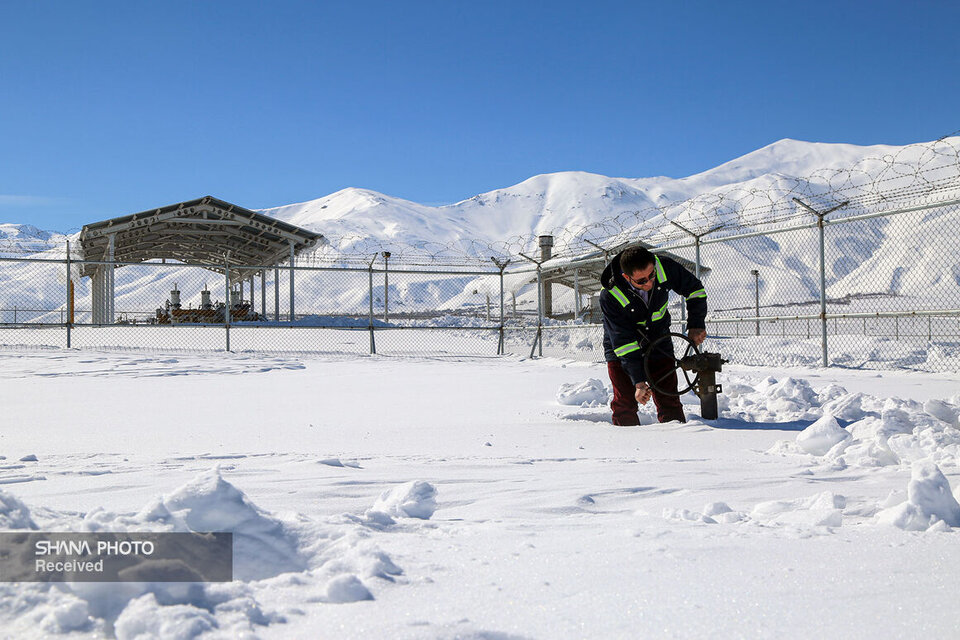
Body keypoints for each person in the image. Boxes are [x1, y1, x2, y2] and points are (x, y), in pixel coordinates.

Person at [599, 245, 707, 425]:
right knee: (625, 402)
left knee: (669, 400)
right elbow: (623, 342)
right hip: (622, 351)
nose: (649, 283)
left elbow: (695, 290)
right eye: (641, 281)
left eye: (652, 275)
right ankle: (625, 439)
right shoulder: (610, 295)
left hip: (659, 342)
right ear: (626, 277)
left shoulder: (665, 267)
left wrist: (696, 324)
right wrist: (639, 381)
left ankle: (677, 437)